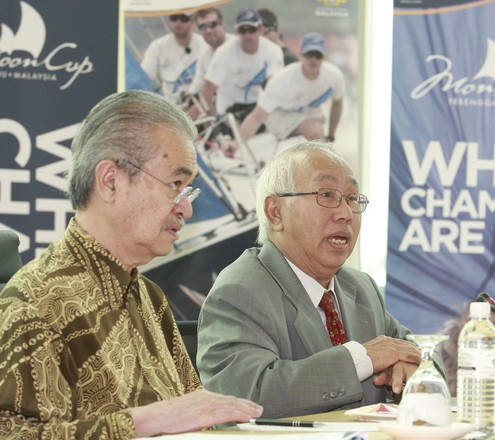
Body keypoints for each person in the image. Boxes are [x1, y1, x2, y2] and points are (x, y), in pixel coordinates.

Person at [0, 90, 262, 438]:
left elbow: (195, 417)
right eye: (175, 185)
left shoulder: (149, 297)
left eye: (189, 190)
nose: (186, 209)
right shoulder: (35, 304)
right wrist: (143, 422)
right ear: (110, 181)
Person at [197, 141, 423, 418]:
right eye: (327, 195)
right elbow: (244, 394)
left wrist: (412, 366)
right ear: (275, 212)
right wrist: (361, 359)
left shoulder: (360, 287)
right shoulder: (241, 289)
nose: (345, 213)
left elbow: (413, 347)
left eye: (352, 198)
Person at [239, 32, 344, 143]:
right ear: (301, 55)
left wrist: (331, 136)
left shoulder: (334, 76)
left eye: (317, 55)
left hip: (309, 114)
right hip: (279, 115)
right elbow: (257, 117)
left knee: (318, 133)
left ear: (324, 57)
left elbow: (338, 103)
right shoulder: (282, 79)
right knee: (315, 130)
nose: (313, 59)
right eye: (309, 54)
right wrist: (238, 144)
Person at [200, 8, 284, 123]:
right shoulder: (224, 52)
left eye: (251, 30)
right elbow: (207, 90)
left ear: (260, 29)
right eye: (242, 31)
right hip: (228, 110)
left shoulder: (273, 51)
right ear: (236, 31)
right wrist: (211, 120)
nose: (247, 35)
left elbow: (274, 87)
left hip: (257, 107)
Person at [141, 12, 207, 103]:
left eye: (183, 18)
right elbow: (145, 77)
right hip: (171, 106)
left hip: (201, 102)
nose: (178, 23)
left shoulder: (205, 45)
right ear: (168, 21)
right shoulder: (157, 46)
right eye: (174, 18)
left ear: (192, 22)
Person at [187, 7, 232, 119]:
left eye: (212, 25)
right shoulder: (204, 56)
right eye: (202, 27)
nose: (208, 31)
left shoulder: (238, 46)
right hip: (218, 110)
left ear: (223, 24)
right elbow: (196, 86)